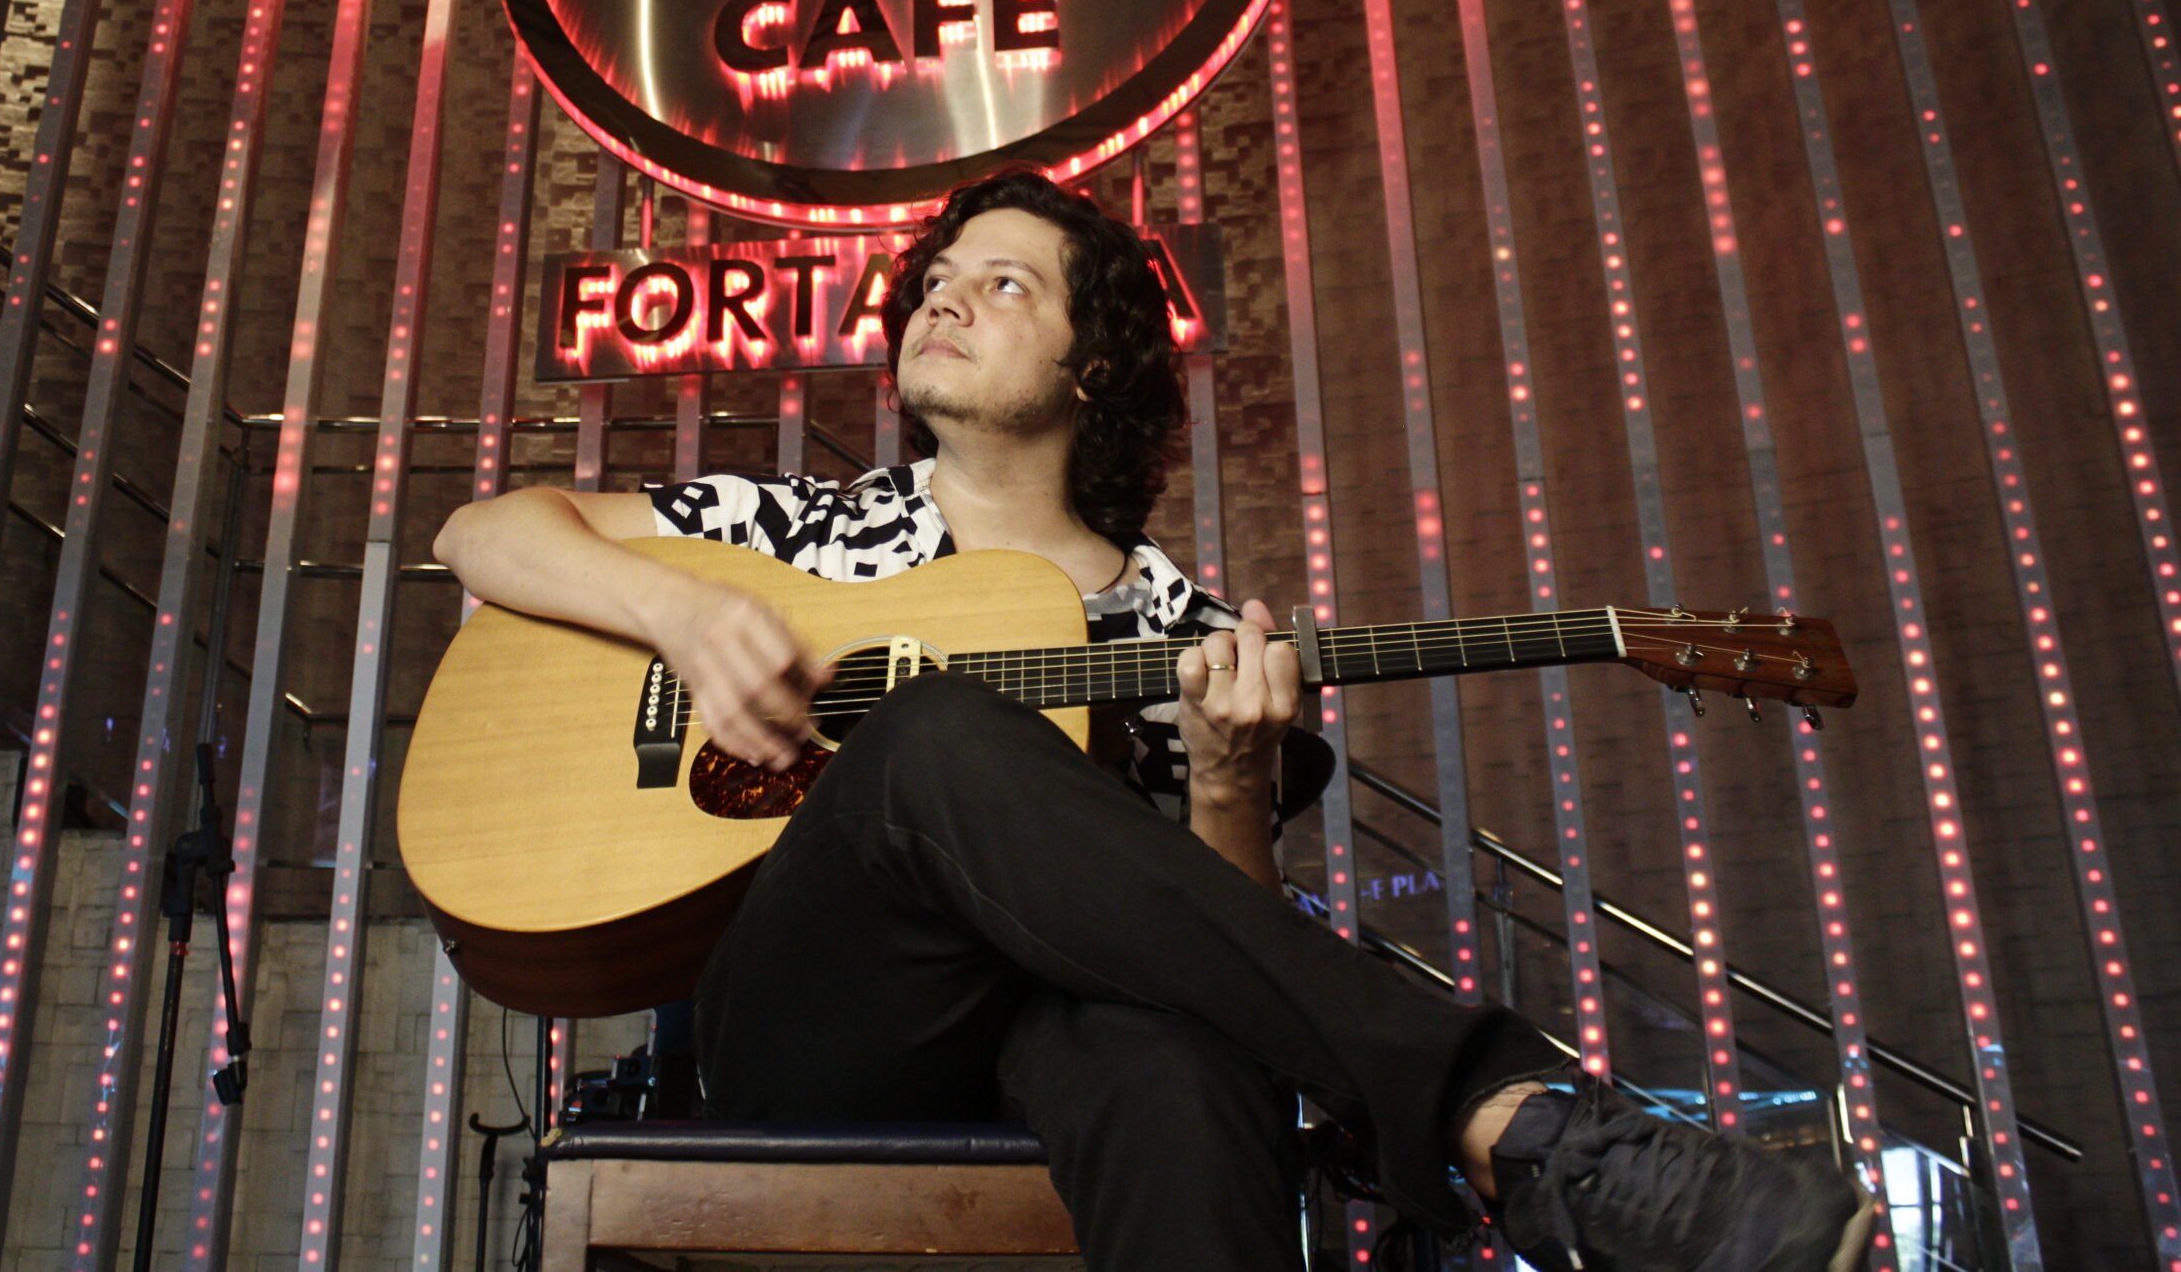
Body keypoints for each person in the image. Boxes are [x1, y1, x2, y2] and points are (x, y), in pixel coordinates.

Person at [434, 168, 1872, 1272]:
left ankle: (1527, 1134)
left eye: (1003, 284)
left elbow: (1218, 950)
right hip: (817, 1017)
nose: (941, 293)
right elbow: (485, 534)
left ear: (1094, 365)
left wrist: (1234, 787)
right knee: (934, 728)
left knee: (1174, 1061)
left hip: (1056, 1054)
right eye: (937, 275)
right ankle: (1507, 1119)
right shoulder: (799, 532)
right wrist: (681, 615)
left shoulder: (1183, 629)